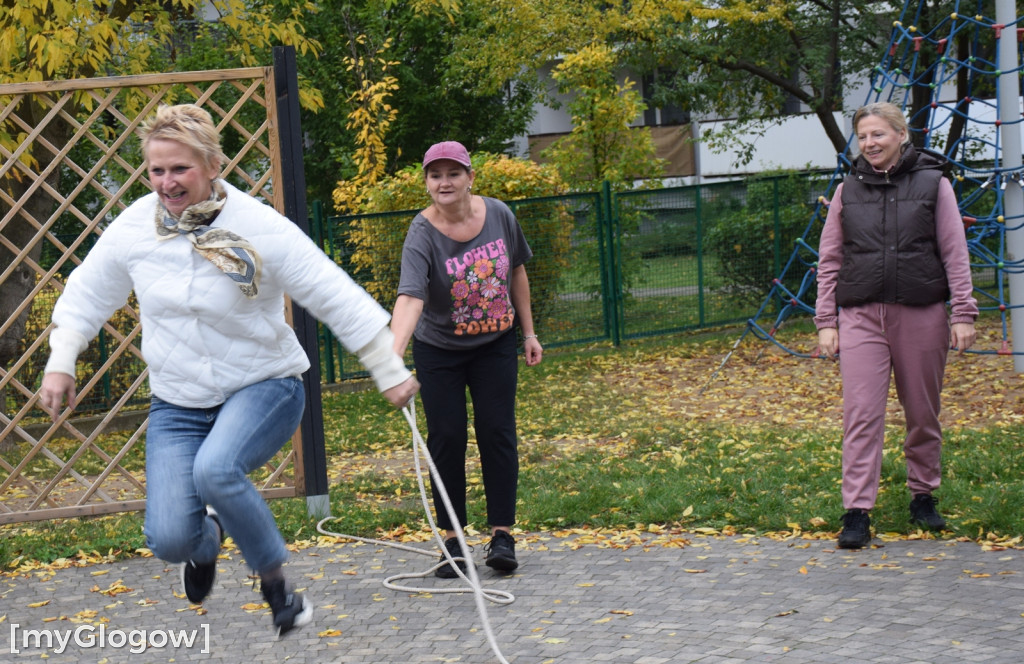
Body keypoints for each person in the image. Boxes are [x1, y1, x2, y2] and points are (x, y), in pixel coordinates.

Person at [37, 104, 419, 637]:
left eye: (180, 169)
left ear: (213, 164)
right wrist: (62, 361)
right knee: (169, 539)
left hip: (264, 385)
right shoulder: (134, 229)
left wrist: (387, 366)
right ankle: (208, 541)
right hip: (179, 401)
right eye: (157, 170)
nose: (167, 183)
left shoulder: (257, 225)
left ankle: (278, 589)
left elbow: (330, 292)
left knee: (215, 470)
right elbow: (86, 295)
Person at [814, 101, 978, 549]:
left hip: (921, 313)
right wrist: (826, 321)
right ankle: (857, 511)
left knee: (922, 413)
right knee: (861, 414)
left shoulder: (934, 184)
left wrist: (963, 311)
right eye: (863, 136)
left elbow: (954, 251)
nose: (869, 144)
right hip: (861, 316)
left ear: (900, 135)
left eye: (878, 135)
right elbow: (829, 261)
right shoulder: (848, 190)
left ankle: (922, 495)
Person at [390, 141, 543, 578]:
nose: (444, 182)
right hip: (439, 351)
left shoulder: (499, 215)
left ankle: (502, 536)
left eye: (453, 173)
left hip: (495, 344)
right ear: (427, 183)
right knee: (447, 437)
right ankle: (453, 542)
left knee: (497, 433)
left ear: (470, 177)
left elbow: (517, 271)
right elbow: (410, 296)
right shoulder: (421, 232)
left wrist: (528, 333)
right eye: (435, 175)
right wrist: (392, 357)